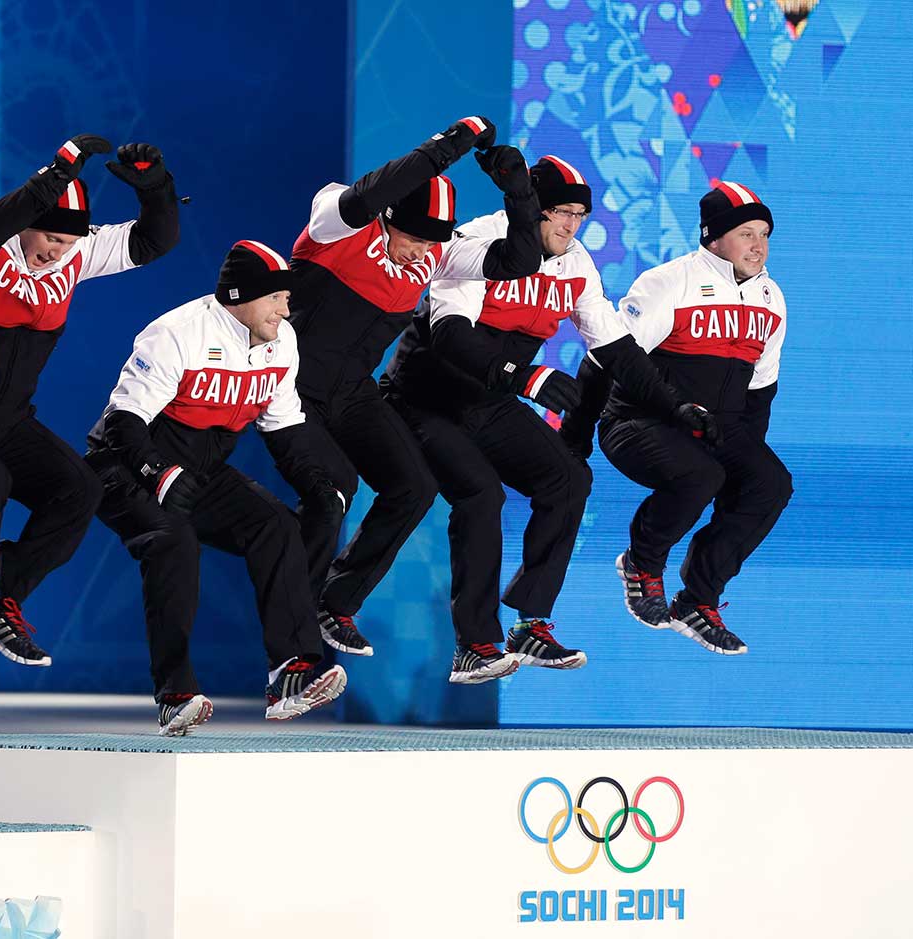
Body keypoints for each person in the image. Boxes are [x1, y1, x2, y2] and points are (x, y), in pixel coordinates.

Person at [381, 155, 715, 682]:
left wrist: (674, 405)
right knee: (481, 496)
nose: (569, 226)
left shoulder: (575, 261)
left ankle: (531, 627)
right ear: (529, 205)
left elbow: (618, 349)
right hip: (424, 396)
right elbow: (452, 338)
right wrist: (528, 378)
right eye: (559, 211)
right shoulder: (477, 243)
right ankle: (476, 644)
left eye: (579, 215)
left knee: (567, 478)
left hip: (489, 401)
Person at [268, 116, 543, 657]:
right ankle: (291, 636)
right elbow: (382, 186)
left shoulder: (436, 254)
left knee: (414, 487)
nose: (423, 253)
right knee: (334, 491)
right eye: (414, 238)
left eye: (432, 243)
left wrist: (519, 193)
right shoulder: (336, 224)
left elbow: (520, 259)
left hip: (352, 391)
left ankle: (334, 605)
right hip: (288, 386)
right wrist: (455, 139)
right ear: (388, 217)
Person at [0, 135, 180, 671]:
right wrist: (55, 174)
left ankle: (2, 603)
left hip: (10, 418)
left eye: (68, 243)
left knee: (79, 489)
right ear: (25, 221)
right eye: (49, 237)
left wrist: (156, 191)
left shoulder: (76, 252)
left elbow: (153, 242)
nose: (58, 251)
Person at [86, 241, 347, 735]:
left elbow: (284, 428)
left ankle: (290, 671)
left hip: (201, 469)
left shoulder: (281, 340)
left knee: (277, 527)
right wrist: (158, 473)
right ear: (240, 295)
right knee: (174, 543)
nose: (285, 309)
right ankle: (175, 693)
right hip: (124, 466)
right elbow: (123, 423)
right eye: (276, 298)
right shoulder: (177, 333)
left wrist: (317, 487)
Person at [580, 181, 789, 655]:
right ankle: (642, 564)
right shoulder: (668, 282)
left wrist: (749, 462)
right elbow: (606, 356)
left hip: (720, 426)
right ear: (714, 237)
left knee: (770, 484)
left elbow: (761, 390)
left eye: (765, 234)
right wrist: (576, 433)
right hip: (640, 421)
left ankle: (698, 599)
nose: (759, 246)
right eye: (746, 233)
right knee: (702, 475)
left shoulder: (772, 298)